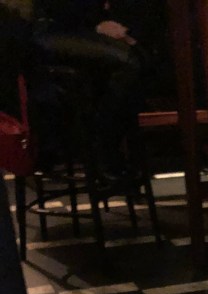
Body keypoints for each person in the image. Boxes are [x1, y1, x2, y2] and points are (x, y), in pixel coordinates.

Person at [30, 0, 149, 178]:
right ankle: (103, 149)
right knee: (129, 63)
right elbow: (59, 9)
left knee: (141, 57)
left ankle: (113, 151)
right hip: (52, 28)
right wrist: (97, 24)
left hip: (82, 26)